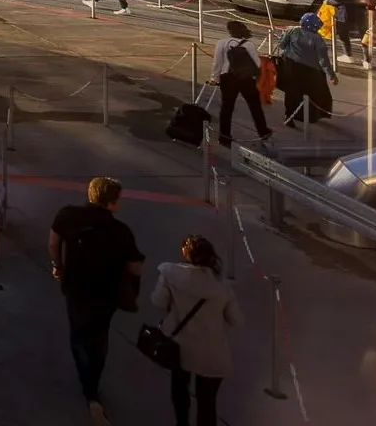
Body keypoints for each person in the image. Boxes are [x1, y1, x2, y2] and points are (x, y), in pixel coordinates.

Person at [49, 176, 144, 422]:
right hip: (107, 294)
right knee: (100, 335)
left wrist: (59, 266)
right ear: (111, 203)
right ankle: (94, 383)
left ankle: (88, 387)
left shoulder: (68, 215)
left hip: (76, 289)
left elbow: (53, 242)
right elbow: (135, 265)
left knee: (78, 334)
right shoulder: (121, 231)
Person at [150, 235, 241, 426]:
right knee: (207, 403)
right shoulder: (222, 287)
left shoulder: (169, 273)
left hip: (180, 347)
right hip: (212, 353)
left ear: (185, 253)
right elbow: (237, 321)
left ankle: (182, 422)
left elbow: (158, 301)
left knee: (179, 389)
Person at [209, 20, 273, 147]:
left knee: (227, 107)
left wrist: (215, 78)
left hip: (227, 77)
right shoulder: (249, 44)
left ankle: (224, 137)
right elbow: (258, 64)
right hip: (246, 79)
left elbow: (217, 63)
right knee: (254, 106)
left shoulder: (222, 43)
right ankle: (263, 131)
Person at [277, 13, 334, 126]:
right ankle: (309, 115)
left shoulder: (292, 31)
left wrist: (283, 36)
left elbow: (282, 46)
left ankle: (289, 115)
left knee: (291, 92)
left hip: (290, 66)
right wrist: (331, 74)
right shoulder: (318, 39)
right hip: (310, 70)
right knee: (310, 92)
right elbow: (323, 59)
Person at [331, 0, 370, 67]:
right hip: (360, 13)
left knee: (343, 34)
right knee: (364, 36)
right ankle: (367, 61)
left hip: (345, 13)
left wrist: (328, 1)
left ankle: (348, 55)